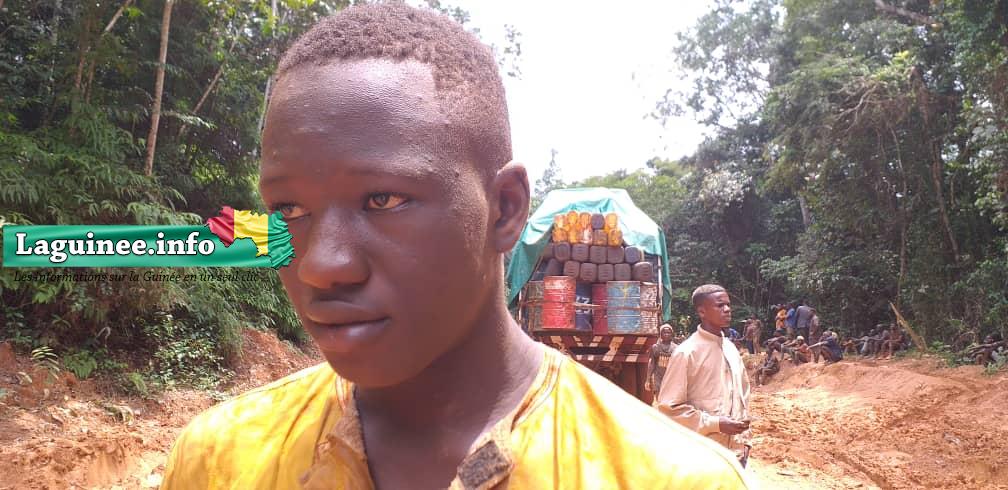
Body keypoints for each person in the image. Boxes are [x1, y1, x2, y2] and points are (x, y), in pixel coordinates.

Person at [160, 4, 749, 489]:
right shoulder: (218, 463)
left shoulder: (668, 478)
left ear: (505, 209)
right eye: (288, 210)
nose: (319, 265)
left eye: (383, 199)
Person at [657, 285, 753, 468]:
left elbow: (744, 396)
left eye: (728, 304)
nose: (727, 309)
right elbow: (669, 409)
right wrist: (715, 424)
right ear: (702, 311)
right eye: (720, 305)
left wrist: (746, 440)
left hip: (737, 454)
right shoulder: (686, 353)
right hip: (703, 455)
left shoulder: (731, 349)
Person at [645, 324, 678, 396]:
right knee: (659, 396)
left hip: (671, 377)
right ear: (660, 334)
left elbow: (678, 366)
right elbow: (652, 363)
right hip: (658, 377)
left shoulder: (676, 348)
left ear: (671, 334)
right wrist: (648, 379)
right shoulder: (655, 347)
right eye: (664, 332)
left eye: (668, 332)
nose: (666, 334)